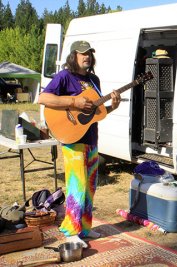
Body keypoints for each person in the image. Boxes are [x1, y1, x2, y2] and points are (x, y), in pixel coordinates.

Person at [38, 40, 121, 248]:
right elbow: (43, 98)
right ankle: (70, 231)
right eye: (83, 54)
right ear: (73, 56)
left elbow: (95, 114)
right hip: (72, 140)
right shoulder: (64, 76)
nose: (87, 57)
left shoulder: (94, 80)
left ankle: (84, 227)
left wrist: (112, 107)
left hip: (91, 141)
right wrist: (73, 102)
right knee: (77, 186)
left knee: (90, 187)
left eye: (90, 54)